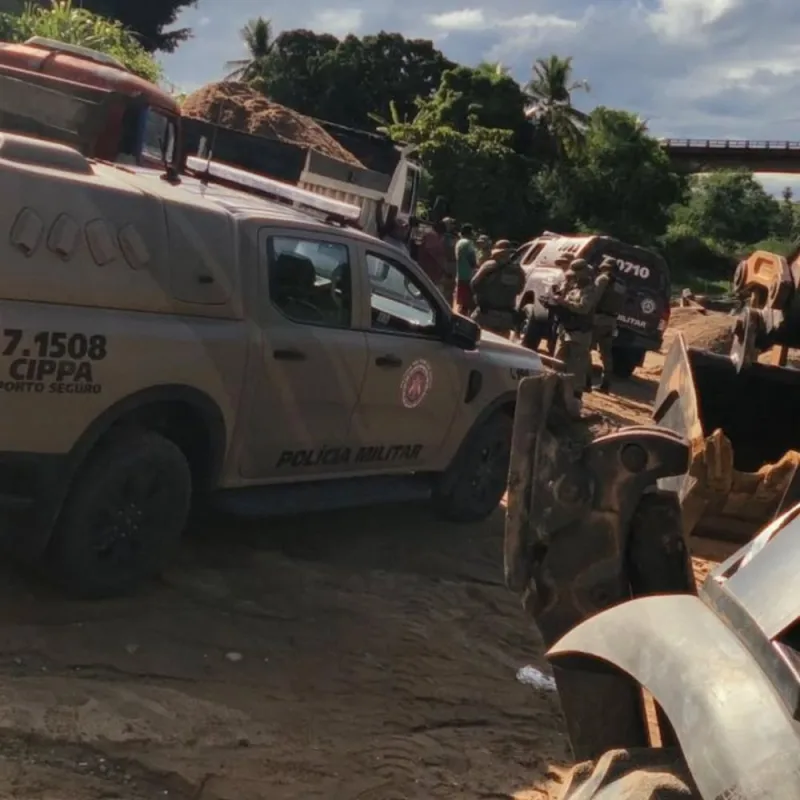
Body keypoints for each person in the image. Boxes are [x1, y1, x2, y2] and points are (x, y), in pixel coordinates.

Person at [551, 258, 596, 415]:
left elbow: (583, 308)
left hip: (580, 334)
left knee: (577, 368)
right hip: (566, 330)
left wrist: (564, 303)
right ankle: (556, 394)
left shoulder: (590, 289)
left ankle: (575, 401)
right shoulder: (572, 285)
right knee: (558, 362)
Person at [470, 241, 524, 337]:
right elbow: (519, 290)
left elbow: (474, 284)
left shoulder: (489, 265)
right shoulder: (518, 271)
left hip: (486, 315)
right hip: (506, 318)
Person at [591, 256, 625, 393]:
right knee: (606, 354)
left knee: (584, 349)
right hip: (611, 322)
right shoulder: (621, 284)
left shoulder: (603, 279)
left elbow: (594, 299)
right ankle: (606, 384)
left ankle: (585, 381)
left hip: (597, 319)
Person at [417, 220, 448, 290]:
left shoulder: (434, 237)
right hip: (427, 273)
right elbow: (433, 252)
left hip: (431, 275)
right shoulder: (432, 236)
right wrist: (444, 268)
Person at [455, 223, 478, 314]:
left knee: (462, 303)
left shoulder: (459, 242)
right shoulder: (468, 243)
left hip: (460, 275)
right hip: (469, 276)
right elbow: (472, 260)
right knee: (469, 303)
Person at [441, 218, 458, 306]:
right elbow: (448, 251)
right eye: (451, 224)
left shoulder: (453, 236)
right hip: (448, 264)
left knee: (449, 289)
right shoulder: (446, 237)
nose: (453, 226)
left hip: (452, 264)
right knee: (445, 289)